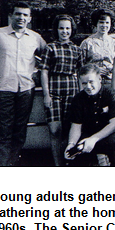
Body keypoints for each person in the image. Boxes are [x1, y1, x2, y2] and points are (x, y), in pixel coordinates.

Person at [0, 3, 46, 166]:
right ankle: (1, 167)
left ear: (29, 19)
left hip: (26, 90)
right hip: (3, 89)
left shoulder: (35, 38)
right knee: (3, 131)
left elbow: (47, 55)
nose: (21, 18)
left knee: (20, 130)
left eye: (24, 15)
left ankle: (12, 164)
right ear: (11, 15)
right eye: (18, 14)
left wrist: (38, 73)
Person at [41, 14, 83, 166]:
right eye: (61, 28)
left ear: (72, 30)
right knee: (55, 130)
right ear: (56, 30)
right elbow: (44, 71)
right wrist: (46, 94)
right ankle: (57, 165)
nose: (64, 31)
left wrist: (80, 94)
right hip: (54, 90)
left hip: (72, 91)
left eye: (67, 28)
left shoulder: (77, 50)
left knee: (69, 128)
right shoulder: (50, 47)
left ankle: (68, 162)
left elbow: (80, 74)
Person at [64, 64, 115, 166]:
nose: (88, 86)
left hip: (107, 135)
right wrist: (71, 144)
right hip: (87, 135)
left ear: (100, 78)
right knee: (67, 148)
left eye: (91, 82)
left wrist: (94, 139)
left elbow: (114, 125)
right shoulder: (78, 99)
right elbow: (76, 126)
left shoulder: (112, 95)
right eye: (84, 83)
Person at [80, 9, 115, 84]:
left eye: (107, 23)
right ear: (96, 23)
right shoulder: (87, 43)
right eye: (101, 22)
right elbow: (81, 66)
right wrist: (95, 69)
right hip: (92, 81)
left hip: (111, 81)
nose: (104, 25)